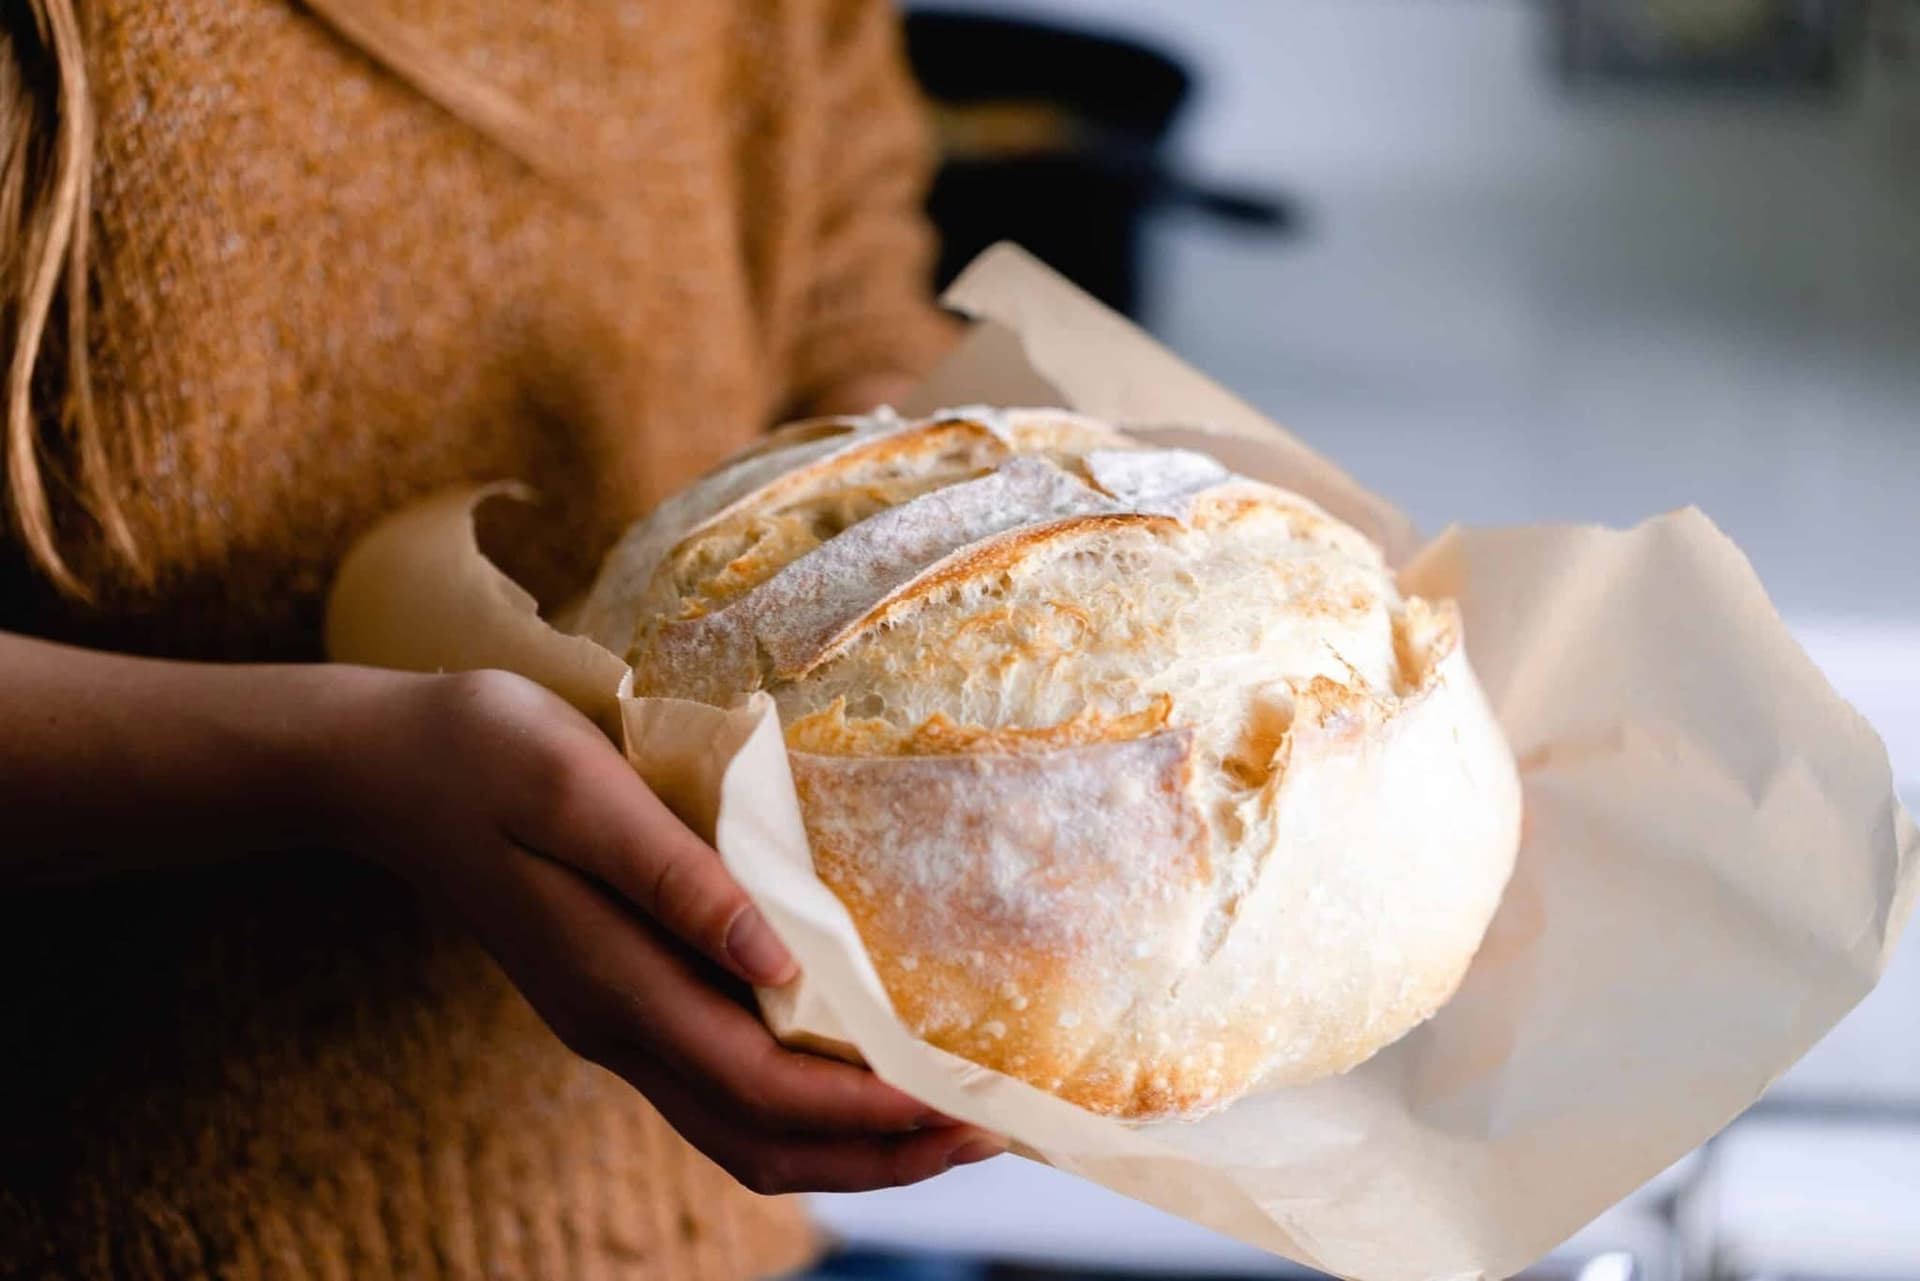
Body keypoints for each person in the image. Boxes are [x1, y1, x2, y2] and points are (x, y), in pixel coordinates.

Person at [0, 1, 1001, 1276]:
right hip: (134, 1218)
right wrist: (330, 764)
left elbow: (842, 289)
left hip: (725, 1228)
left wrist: (916, 507)